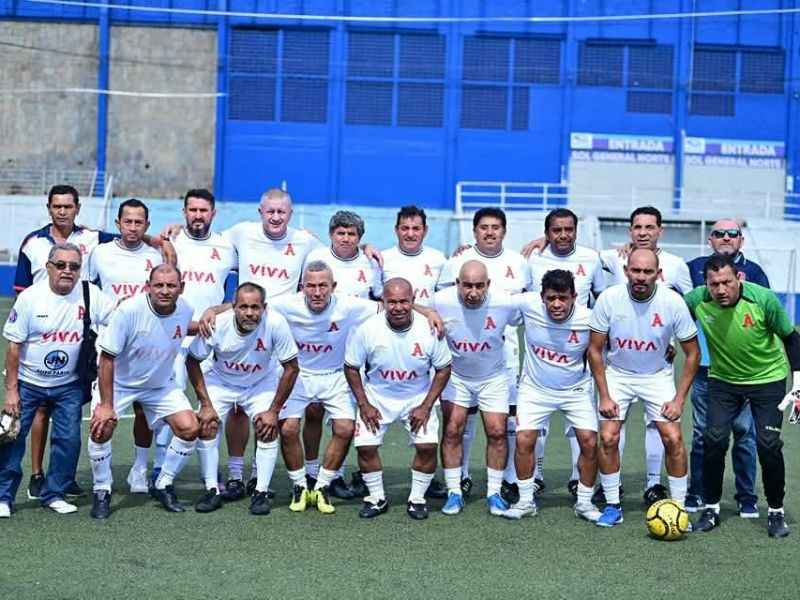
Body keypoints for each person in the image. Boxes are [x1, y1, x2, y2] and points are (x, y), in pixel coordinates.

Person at [13, 184, 169, 500]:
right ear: (49, 208)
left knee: (72, 409)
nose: (62, 211)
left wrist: (160, 240)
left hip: (83, 337)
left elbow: (128, 238)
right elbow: (22, 291)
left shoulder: (93, 240)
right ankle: (37, 474)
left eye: (68, 206)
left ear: (77, 208)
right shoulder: (32, 243)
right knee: (42, 407)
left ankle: (65, 478)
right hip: (43, 332)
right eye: (57, 206)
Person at [87, 264, 217, 519]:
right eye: (159, 285)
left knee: (190, 428)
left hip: (159, 385)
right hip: (121, 383)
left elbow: (179, 327)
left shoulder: (186, 309)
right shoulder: (128, 311)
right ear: (148, 286)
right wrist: (106, 404)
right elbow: (107, 358)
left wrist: (209, 316)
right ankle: (102, 489)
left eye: (171, 285)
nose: (165, 291)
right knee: (101, 428)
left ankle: (163, 483)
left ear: (182, 288)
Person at [686, 255, 799, 538]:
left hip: (768, 380)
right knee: (713, 439)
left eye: (726, 282)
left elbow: (791, 337)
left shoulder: (763, 299)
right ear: (706, 284)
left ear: (740, 278)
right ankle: (710, 508)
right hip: (723, 381)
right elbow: (667, 314)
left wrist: (798, 385)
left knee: (768, 444)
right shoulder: (696, 300)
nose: (721, 290)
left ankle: (775, 512)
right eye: (714, 284)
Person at [0, 243, 115, 517]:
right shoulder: (30, 298)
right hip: (28, 383)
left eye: (74, 266)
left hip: (69, 385)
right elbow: (14, 347)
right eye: (61, 265)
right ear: (49, 267)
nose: (67, 271)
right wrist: (11, 391)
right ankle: (4, 496)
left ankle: (54, 493)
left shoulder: (90, 294)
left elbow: (118, 318)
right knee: (11, 439)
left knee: (68, 440)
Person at [587, 248, 700, 528]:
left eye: (648, 272)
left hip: (656, 376)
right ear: (626, 271)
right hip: (618, 375)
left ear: (658, 274)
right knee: (609, 437)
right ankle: (613, 504)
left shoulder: (673, 302)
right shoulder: (609, 299)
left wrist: (679, 399)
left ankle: (678, 507)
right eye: (635, 270)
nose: (641, 277)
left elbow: (693, 354)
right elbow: (595, 349)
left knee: (673, 438)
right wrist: (604, 394)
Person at [269, 261, 380, 513]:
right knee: (287, 429)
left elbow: (389, 307)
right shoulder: (286, 304)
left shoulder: (349, 305)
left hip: (335, 375)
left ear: (334, 287)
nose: (317, 292)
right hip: (299, 375)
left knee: (345, 428)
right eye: (311, 286)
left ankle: (321, 486)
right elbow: (248, 305)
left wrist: (428, 313)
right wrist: (213, 311)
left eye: (323, 286)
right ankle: (300, 486)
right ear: (302, 287)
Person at [438, 207, 532, 500]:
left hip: (503, 354)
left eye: (495, 227)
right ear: (475, 231)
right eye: (484, 227)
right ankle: (461, 477)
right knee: (459, 423)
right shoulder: (457, 262)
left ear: (504, 231)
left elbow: (529, 308)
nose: (490, 232)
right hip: (461, 355)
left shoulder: (519, 262)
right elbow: (437, 306)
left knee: (505, 424)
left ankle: (508, 480)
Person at [187, 282, 299, 515]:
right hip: (221, 381)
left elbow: (291, 368)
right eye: (244, 307)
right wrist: (206, 405)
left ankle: (261, 492)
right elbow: (192, 360)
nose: (249, 313)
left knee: (267, 427)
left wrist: (273, 412)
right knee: (206, 424)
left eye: (255, 307)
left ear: (264, 307)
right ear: (234, 307)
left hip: (260, 383)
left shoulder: (276, 323)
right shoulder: (217, 324)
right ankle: (211, 489)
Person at [344, 278, 452, 520]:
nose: (398, 307)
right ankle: (376, 497)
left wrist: (425, 406)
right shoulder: (367, 329)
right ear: (383, 302)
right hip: (378, 395)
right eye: (392, 302)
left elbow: (444, 368)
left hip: (417, 396)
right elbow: (351, 367)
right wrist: (364, 403)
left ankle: (417, 499)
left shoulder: (429, 329)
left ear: (413, 302)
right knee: (365, 446)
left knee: (427, 447)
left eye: (404, 301)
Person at [87, 198, 174, 494]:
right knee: (104, 410)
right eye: (128, 221)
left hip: (145, 345)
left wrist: (161, 242)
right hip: (111, 345)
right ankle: (102, 478)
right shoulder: (100, 253)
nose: (133, 227)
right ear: (118, 224)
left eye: (139, 222)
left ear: (146, 225)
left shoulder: (154, 255)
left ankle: (139, 468)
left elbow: (170, 281)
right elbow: (88, 291)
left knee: (143, 410)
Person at [683, 219, 769, 515]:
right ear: (711, 239)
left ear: (741, 240)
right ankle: (698, 493)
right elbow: (675, 306)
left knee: (744, 433)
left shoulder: (755, 272)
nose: (726, 237)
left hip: (745, 371)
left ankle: (746, 497)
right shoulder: (692, 267)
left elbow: (766, 317)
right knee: (702, 434)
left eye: (732, 233)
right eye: (719, 233)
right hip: (706, 369)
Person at [506, 269, 602, 522]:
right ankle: (525, 500)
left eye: (562, 298)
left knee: (590, 443)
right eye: (550, 298)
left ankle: (584, 502)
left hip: (576, 390)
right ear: (542, 297)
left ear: (574, 296)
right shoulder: (527, 305)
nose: (556, 304)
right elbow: (491, 303)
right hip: (535, 389)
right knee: (524, 439)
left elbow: (617, 340)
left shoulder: (589, 319)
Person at [525, 208, 605, 497]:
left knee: (581, 425)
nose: (563, 235)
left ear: (576, 231)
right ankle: (535, 475)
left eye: (568, 229)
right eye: (556, 230)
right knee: (537, 423)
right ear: (547, 233)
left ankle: (576, 477)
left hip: (578, 349)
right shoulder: (532, 257)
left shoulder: (592, 258)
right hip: (542, 345)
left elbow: (602, 299)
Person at [434, 260, 520, 516]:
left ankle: (494, 492)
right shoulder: (440, 299)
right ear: (457, 283)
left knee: (496, 431)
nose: (472, 292)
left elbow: (536, 310)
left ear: (488, 285)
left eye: (479, 286)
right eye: (467, 286)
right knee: (452, 430)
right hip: (457, 376)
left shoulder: (505, 302)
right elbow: (408, 303)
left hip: (493, 376)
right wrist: (428, 313)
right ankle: (454, 492)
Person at [382, 205, 446, 306]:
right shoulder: (383, 259)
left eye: (416, 229)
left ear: (425, 231)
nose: (410, 234)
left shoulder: (438, 259)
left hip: (427, 321)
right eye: (405, 228)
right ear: (396, 230)